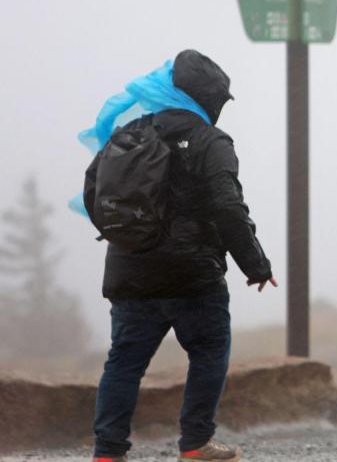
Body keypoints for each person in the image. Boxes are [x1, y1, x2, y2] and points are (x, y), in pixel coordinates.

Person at [85, 50, 277, 462]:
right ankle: (195, 443)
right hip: (192, 275)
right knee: (208, 352)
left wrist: (124, 239)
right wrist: (255, 264)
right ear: (208, 99)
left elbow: (93, 192)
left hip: (130, 271)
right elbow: (228, 206)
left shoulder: (131, 131)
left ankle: (107, 452)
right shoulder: (212, 141)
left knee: (124, 362)